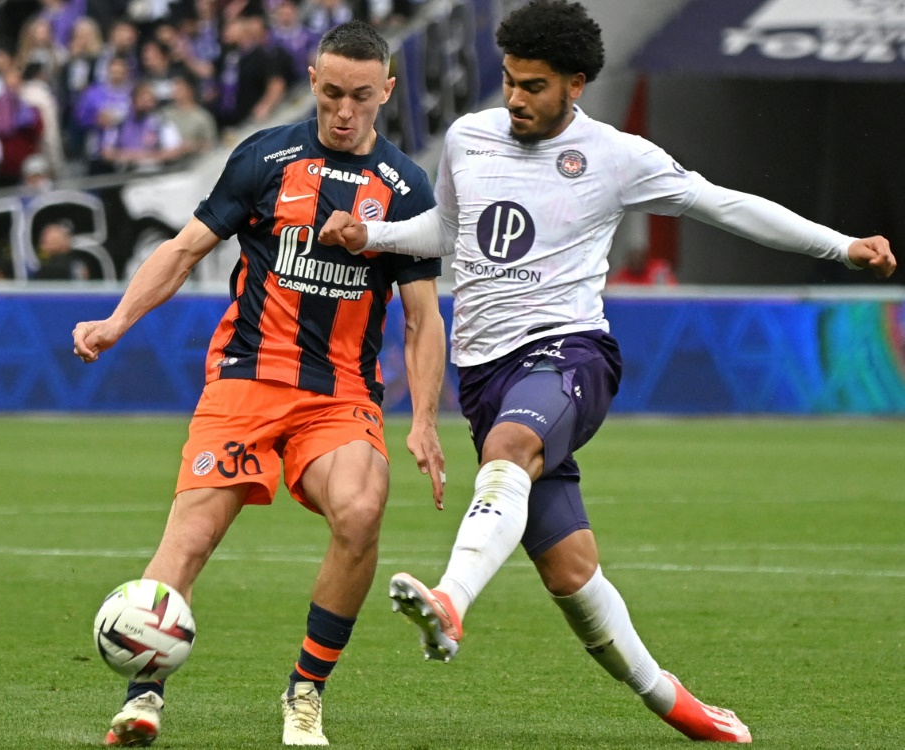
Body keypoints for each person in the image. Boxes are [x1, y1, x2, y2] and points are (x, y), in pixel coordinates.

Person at [317, 1, 897, 745]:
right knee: (570, 574)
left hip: (569, 355)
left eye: (533, 86)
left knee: (507, 453)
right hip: (487, 378)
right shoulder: (469, 137)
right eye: (509, 82)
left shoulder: (619, 157)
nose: (516, 99)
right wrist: (374, 234)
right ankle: (677, 705)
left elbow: (724, 206)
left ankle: (450, 601)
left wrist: (841, 247)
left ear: (577, 84)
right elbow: (449, 233)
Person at [72, 19, 447, 748]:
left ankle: (305, 694)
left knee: (363, 510)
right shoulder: (264, 157)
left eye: (361, 97)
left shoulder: (405, 187)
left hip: (339, 395)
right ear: (312, 80)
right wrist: (117, 321)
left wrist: (425, 418)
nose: (344, 111)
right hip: (247, 380)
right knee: (190, 537)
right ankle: (143, 693)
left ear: (387, 93)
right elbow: (184, 248)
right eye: (332, 92)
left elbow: (422, 319)